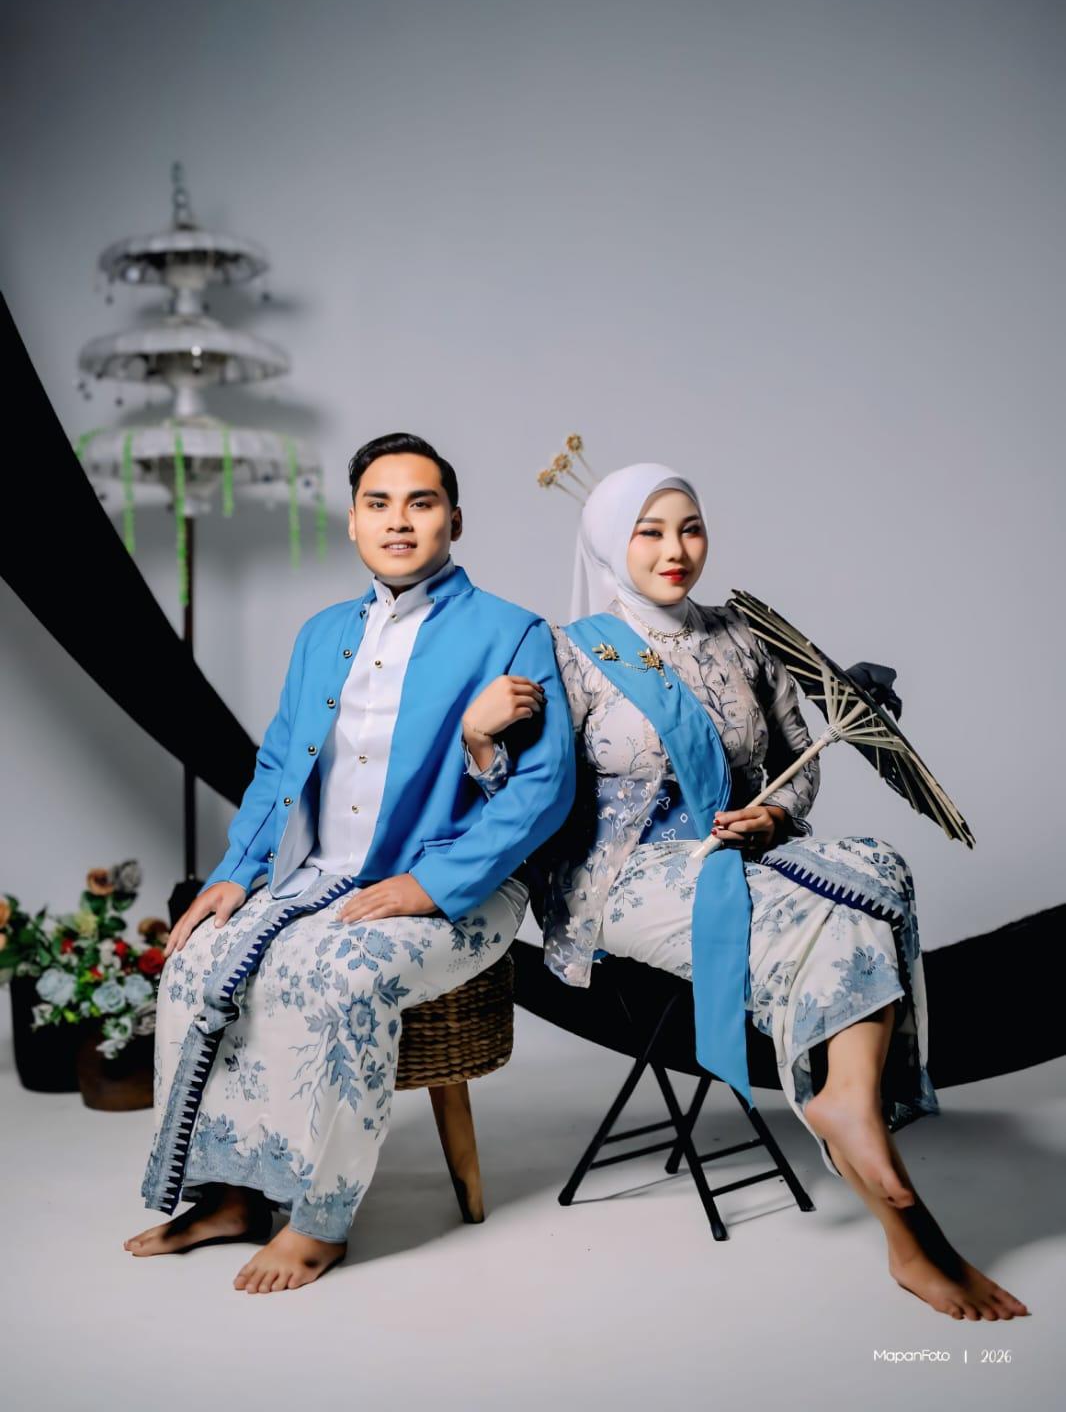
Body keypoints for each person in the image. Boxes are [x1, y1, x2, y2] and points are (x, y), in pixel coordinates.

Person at [469, 461, 1027, 1323]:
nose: (675, 550)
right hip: (622, 877)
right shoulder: (571, 652)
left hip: (742, 852)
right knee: (816, 913)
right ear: (609, 544)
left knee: (874, 868)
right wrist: (479, 739)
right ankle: (907, 1231)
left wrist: (772, 814)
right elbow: (522, 799)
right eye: (650, 533)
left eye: (689, 528)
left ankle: (847, 1100)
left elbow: (797, 762)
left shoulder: (741, 638)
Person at [125, 432, 574, 1292]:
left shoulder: (512, 633)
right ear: (353, 521)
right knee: (194, 959)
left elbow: (543, 793)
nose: (398, 521)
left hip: (464, 887)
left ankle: (319, 1220)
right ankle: (232, 1195)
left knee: (339, 979)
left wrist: (430, 884)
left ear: (454, 521)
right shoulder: (322, 634)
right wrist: (235, 872)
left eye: (421, 503)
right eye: (379, 503)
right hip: (316, 873)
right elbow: (277, 766)